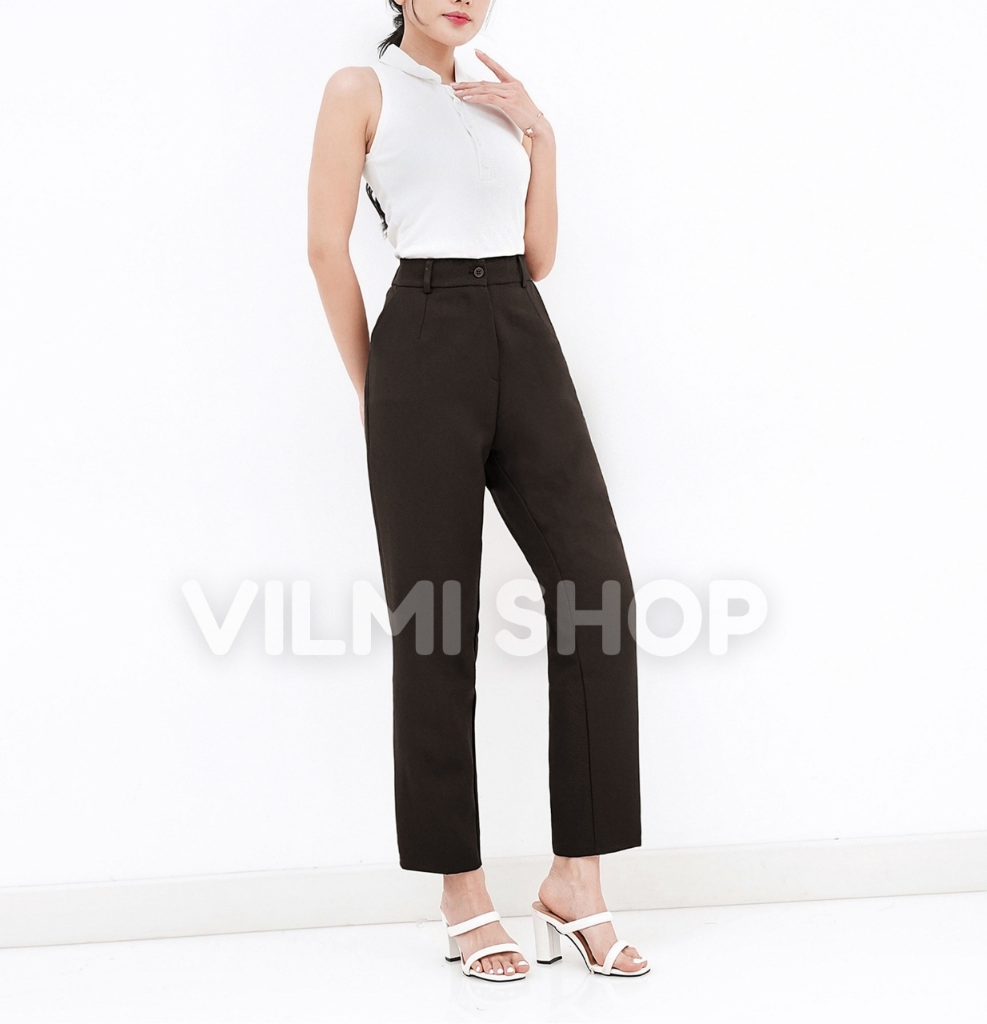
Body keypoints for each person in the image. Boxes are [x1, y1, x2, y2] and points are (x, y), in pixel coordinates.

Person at [307, 0, 649, 980]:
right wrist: (379, 392)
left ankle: (576, 880)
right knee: (436, 619)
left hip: (521, 325)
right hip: (420, 337)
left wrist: (541, 135)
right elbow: (326, 248)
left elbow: (538, 257)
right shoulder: (360, 89)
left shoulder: (503, 102)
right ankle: (461, 887)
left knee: (596, 593)